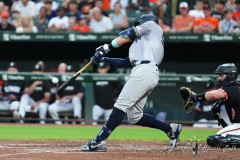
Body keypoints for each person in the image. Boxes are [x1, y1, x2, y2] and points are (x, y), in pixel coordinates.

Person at [80, 14, 182, 152]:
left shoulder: (152, 26)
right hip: (144, 71)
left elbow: (129, 33)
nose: (138, 26)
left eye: (139, 24)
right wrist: (104, 58)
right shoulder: (143, 43)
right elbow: (126, 62)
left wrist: (106, 47)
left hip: (145, 70)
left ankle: (99, 141)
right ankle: (170, 129)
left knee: (120, 105)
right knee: (135, 116)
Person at [189, 63, 240, 128]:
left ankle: (229, 133)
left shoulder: (232, 87)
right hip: (235, 124)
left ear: (230, 75)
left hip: (238, 125)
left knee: (214, 138)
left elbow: (214, 95)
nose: (219, 78)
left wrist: (194, 97)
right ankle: (227, 130)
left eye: (221, 75)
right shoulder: (234, 85)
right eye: (219, 76)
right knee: (217, 107)